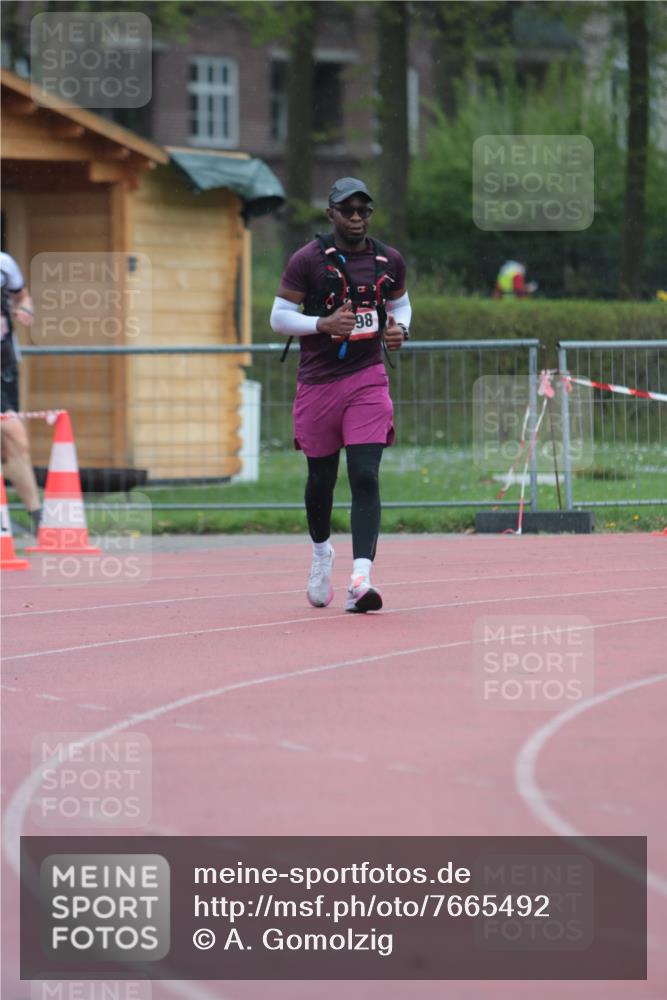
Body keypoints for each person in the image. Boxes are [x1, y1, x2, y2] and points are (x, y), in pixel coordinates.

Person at [270, 177, 411, 613]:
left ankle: (361, 578)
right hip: (318, 384)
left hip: (368, 380)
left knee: (365, 475)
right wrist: (322, 324)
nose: (355, 217)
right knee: (321, 480)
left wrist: (400, 329)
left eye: (362, 211)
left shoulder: (389, 259)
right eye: (346, 210)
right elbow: (278, 317)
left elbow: (401, 305)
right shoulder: (306, 261)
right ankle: (320, 554)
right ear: (330, 213)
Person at [1, 251, 42, 533]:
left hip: (5, 363)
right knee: (14, 431)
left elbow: (22, 296)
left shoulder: (5, 264)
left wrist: (26, 309)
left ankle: (39, 521)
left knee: (13, 445)